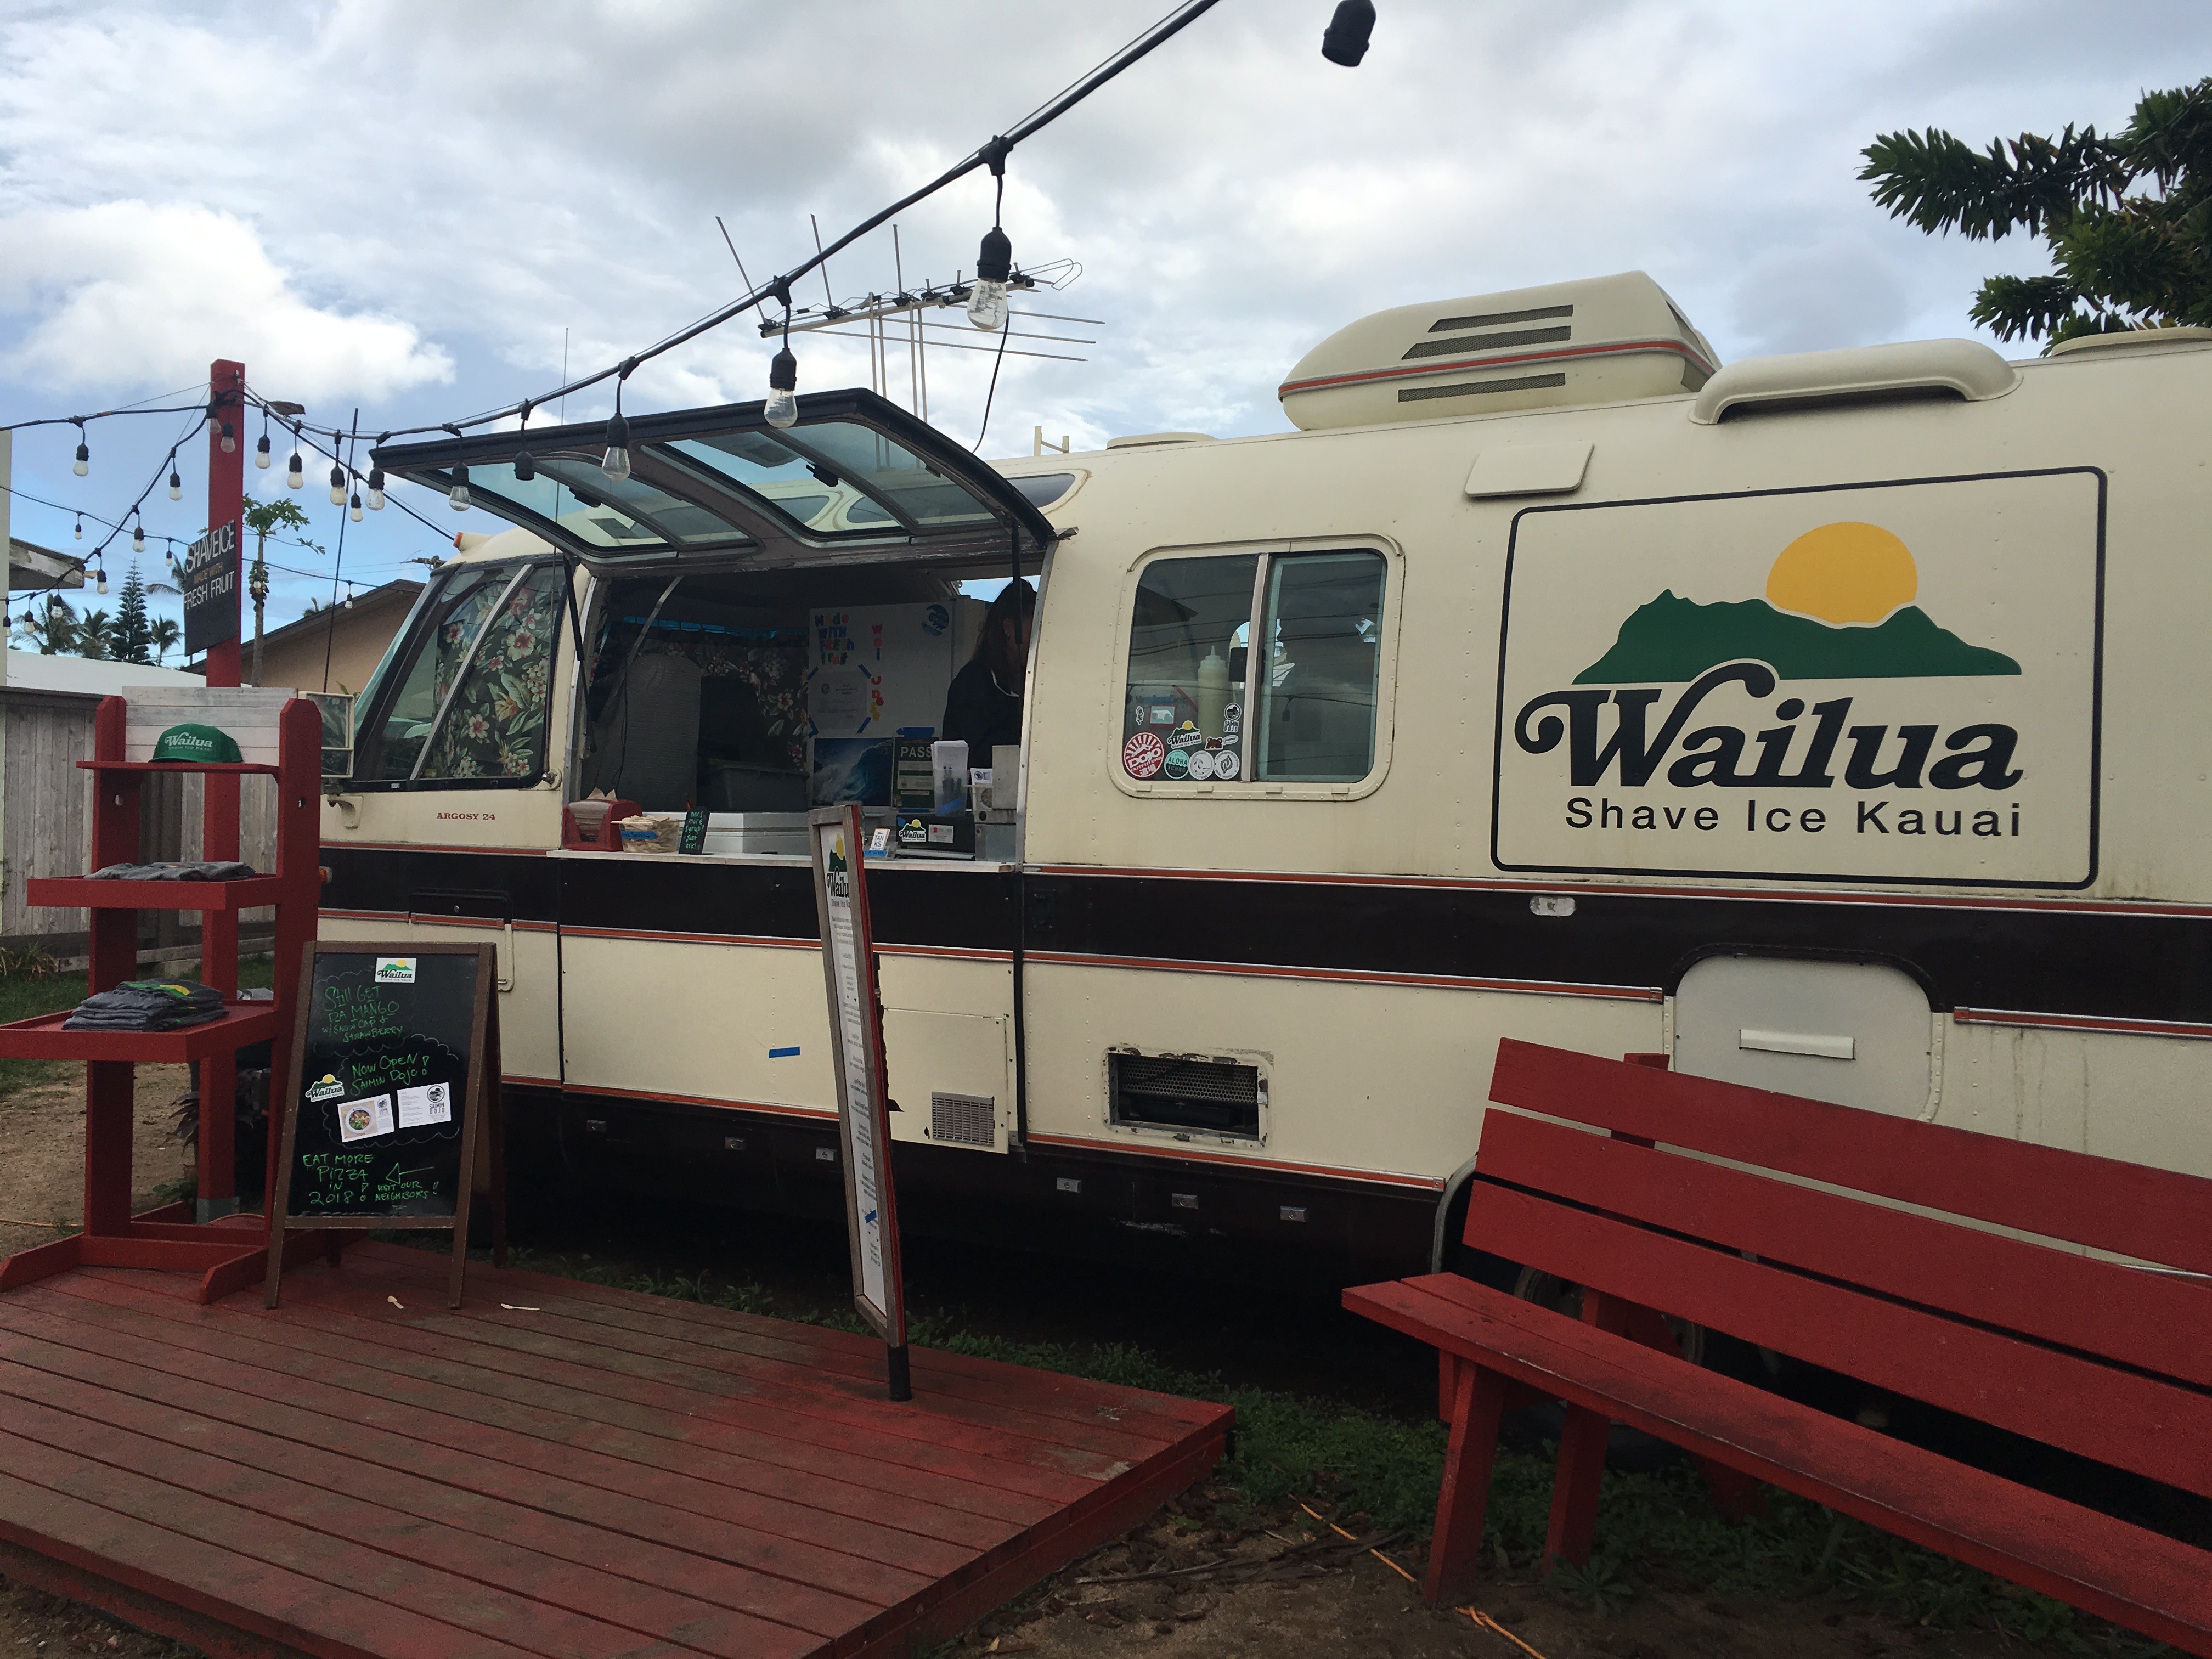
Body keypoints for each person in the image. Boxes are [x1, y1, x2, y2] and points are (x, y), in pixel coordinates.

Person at [941, 579, 1035, 754]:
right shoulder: (973, 681)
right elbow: (980, 748)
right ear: (1009, 628)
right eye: (1035, 628)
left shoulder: (1030, 681)